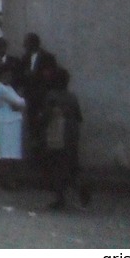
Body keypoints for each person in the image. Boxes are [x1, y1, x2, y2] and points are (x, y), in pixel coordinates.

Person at [42, 67, 90, 210]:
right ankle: (80, 187)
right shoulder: (72, 96)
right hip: (71, 135)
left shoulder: (51, 96)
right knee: (70, 166)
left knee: (56, 167)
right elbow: (79, 117)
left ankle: (60, 198)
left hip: (57, 135)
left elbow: (46, 117)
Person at [20, 32, 57, 160]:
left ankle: (44, 156)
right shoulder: (24, 58)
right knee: (32, 127)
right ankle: (34, 156)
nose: (24, 45)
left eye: (27, 42)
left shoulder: (47, 58)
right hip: (30, 98)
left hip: (42, 97)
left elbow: (51, 77)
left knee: (43, 128)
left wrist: (36, 76)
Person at [0, 65, 26, 161]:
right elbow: (19, 102)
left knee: (14, 150)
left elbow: (19, 103)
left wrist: (19, 103)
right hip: (5, 123)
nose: (10, 78)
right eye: (9, 75)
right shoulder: (0, 88)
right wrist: (21, 101)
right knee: (5, 151)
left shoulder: (8, 87)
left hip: (14, 121)